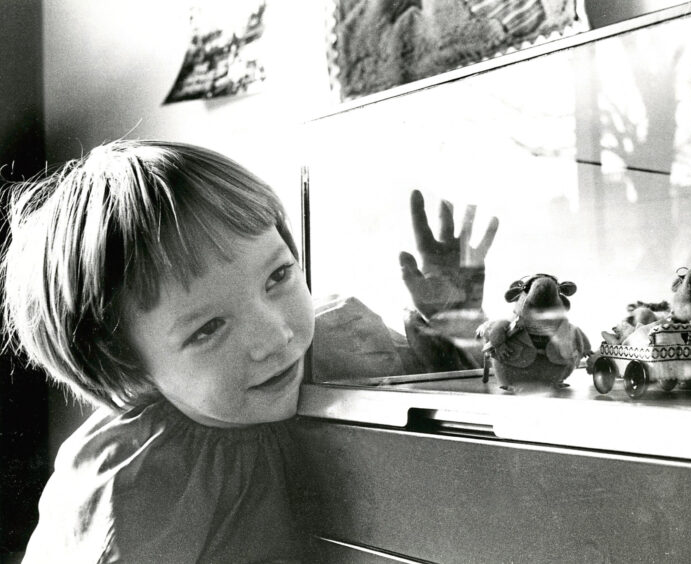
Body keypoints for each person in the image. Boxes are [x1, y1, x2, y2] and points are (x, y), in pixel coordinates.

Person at [2, 139, 497, 562]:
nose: (276, 336)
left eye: (278, 276)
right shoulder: (136, 482)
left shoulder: (337, 339)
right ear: (125, 365)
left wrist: (454, 321)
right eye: (208, 328)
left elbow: (446, 398)